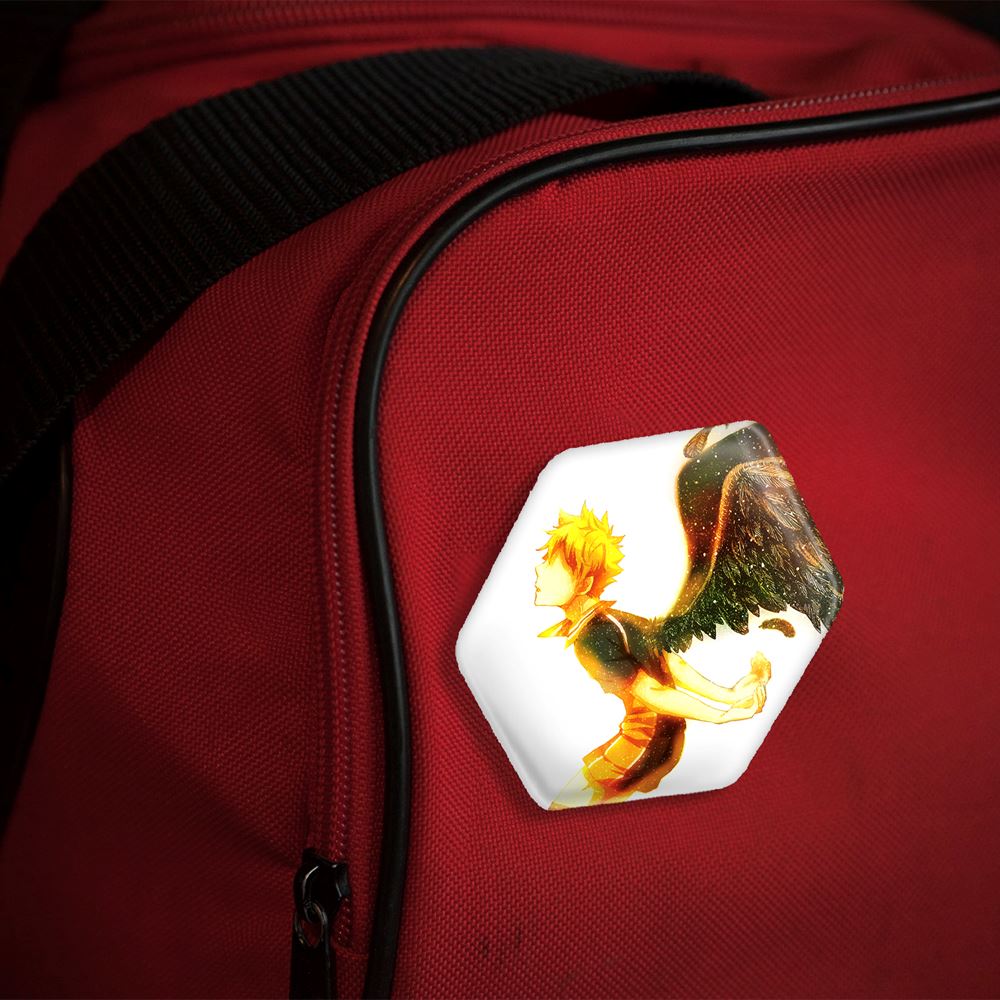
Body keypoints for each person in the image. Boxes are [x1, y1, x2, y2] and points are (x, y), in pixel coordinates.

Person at [535, 503, 770, 809]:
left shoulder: (593, 637)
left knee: (563, 807)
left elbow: (652, 691)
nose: (539, 570)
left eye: (551, 563)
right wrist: (728, 696)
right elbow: (672, 663)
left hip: (645, 740)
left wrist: (722, 714)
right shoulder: (619, 621)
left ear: (585, 583)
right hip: (661, 738)